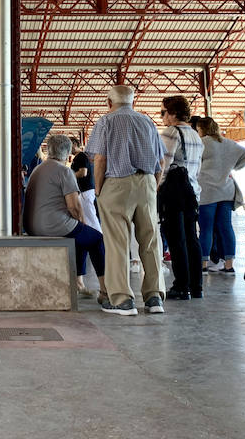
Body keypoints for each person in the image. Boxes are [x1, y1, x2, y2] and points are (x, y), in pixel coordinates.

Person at [87, 84, 166, 316]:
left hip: (116, 183)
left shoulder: (105, 122)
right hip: (147, 182)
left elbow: (100, 159)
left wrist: (99, 189)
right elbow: (160, 161)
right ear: (133, 101)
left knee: (117, 243)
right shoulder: (147, 121)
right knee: (150, 240)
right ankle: (154, 298)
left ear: (108, 103)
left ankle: (122, 300)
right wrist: (154, 185)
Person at [24, 135, 107, 305]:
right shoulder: (64, 171)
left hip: (33, 225)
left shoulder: (38, 169)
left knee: (83, 237)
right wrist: (82, 222)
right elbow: (74, 207)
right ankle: (105, 291)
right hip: (53, 225)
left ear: (49, 150)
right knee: (96, 239)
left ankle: (79, 284)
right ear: (68, 152)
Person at [158, 95, 204, 300]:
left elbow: (163, 165)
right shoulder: (195, 134)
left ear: (173, 113)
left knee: (176, 239)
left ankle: (181, 285)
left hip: (174, 193)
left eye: (163, 113)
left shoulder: (171, 132)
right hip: (191, 191)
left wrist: (156, 187)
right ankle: (196, 286)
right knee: (192, 239)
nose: (162, 117)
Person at [195, 116, 245, 275]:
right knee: (226, 227)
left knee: (206, 229)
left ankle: (203, 265)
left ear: (202, 129)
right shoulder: (229, 143)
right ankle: (229, 266)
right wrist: (233, 167)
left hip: (206, 192)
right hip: (226, 191)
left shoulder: (202, 143)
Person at [70, 137, 101, 296]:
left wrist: (69, 176)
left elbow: (83, 172)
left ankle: (99, 240)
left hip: (85, 193)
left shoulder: (80, 156)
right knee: (88, 223)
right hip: (85, 193)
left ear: (75, 144)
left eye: (70, 145)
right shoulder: (78, 157)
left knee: (91, 224)